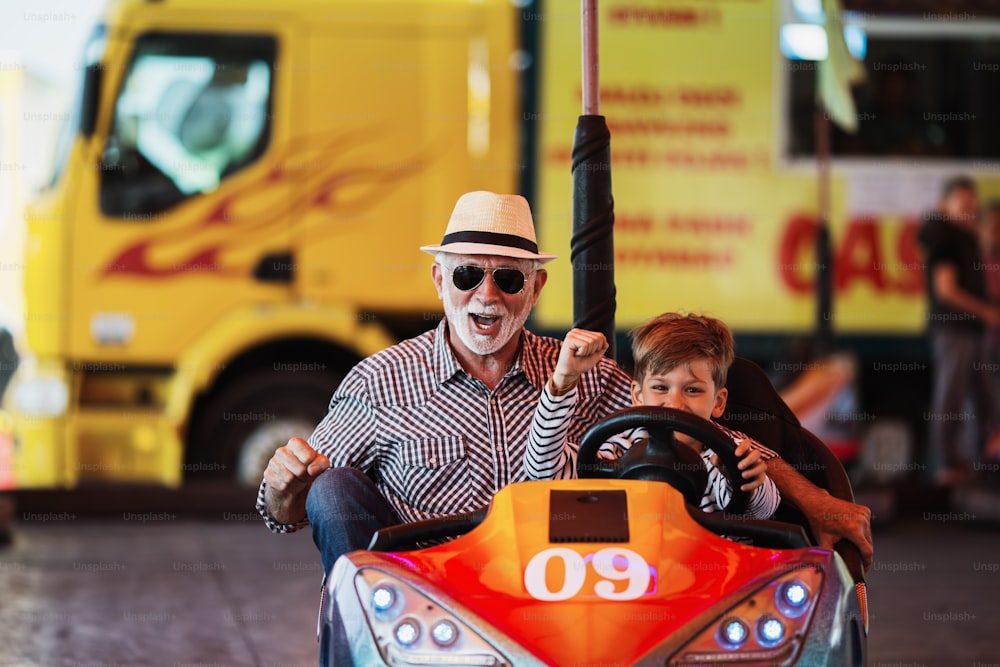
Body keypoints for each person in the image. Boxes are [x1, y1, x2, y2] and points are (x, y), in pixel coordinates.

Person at [257, 190, 874, 576]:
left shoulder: (593, 375)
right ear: (440, 282)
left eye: (509, 279)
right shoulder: (381, 381)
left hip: (567, 586)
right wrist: (286, 487)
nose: (487, 296)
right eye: (469, 274)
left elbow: (704, 434)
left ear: (536, 288)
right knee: (334, 487)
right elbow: (293, 508)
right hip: (430, 598)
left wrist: (817, 501)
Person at [525, 313, 780, 519]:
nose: (675, 403)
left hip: (711, 572)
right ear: (637, 396)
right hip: (633, 571)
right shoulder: (617, 452)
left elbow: (762, 510)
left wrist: (746, 479)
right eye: (660, 388)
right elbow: (542, 469)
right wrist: (565, 379)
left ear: (718, 402)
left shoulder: (726, 457)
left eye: (692, 390)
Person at [918, 176, 1000, 485]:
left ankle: (981, 464)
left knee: (982, 396)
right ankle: (948, 465)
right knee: (950, 397)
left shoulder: (963, 237)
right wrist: (986, 312)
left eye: (972, 205)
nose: (969, 210)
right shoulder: (945, 238)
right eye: (963, 204)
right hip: (954, 329)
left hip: (970, 329)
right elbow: (946, 290)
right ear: (945, 205)